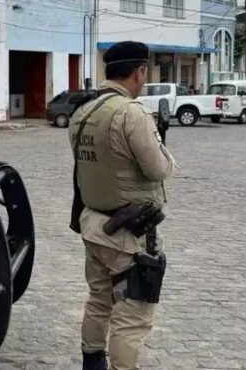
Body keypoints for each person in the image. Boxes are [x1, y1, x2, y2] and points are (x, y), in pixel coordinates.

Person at [69, 41, 177, 370]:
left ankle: (92, 361)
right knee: (132, 316)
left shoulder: (82, 112)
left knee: (100, 301)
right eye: (145, 72)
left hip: (94, 224)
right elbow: (159, 169)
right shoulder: (131, 113)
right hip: (129, 232)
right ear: (139, 72)